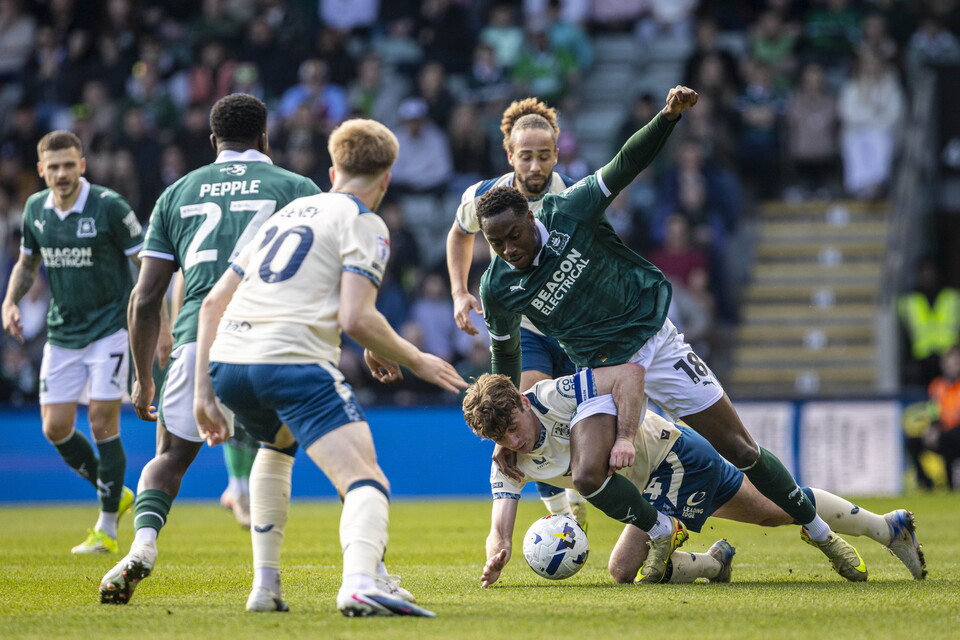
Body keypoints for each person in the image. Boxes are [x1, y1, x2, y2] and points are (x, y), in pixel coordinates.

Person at [474, 85, 867, 584]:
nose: (509, 249)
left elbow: (624, 164)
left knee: (742, 450)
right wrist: (506, 420)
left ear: (530, 217)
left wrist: (667, 118)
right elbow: (505, 358)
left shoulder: (569, 210)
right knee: (589, 475)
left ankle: (823, 534)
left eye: (514, 235)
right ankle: (661, 530)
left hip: (655, 342)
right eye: (496, 243)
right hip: (602, 373)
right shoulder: (497, 286)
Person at [192, 118, 467, 616]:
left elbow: (212, 303)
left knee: (276, 445)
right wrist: (418, 358)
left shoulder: (285, 214)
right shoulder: (364, 221)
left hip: (228, 362)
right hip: (290, 361)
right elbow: (356, 317)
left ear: (333, 171)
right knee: (366, 480)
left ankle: (265, 587)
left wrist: (202, 393)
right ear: (386, 180)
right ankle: (361, 583)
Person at [99, 93, 322, 605]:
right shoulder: (297, 188)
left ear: (213, 140)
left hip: (198, 342)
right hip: (271, 338)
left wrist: (143, 378)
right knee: (322, 451)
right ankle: (347, 571)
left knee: (169, 459)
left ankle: (143, 543)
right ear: (265, 137)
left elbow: (145, 298)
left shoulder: (176, 193)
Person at [463, 368, 927, 586]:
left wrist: (624, 435)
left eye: (513, 427)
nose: (514, 440)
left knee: (772, 511)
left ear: (522, 401)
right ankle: (713, 563)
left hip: (674, 455)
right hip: (649, 489)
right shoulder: (508, 460)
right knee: (622, 571)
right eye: (500, 436)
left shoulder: (554, 396)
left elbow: (626, 376)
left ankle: (886, 529)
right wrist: (496, 553)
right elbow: (499, 525)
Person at [445, 96, 586, 525]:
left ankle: (577, 494)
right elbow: (459, 233)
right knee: (528, 412)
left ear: (557, 154)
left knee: (580, 420)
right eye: (526, 156)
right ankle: (562, 518)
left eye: (544, 156)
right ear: (510, 155)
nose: (535, 166)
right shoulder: (484, 197)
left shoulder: (573, 196)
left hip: (573, 327)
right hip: (523, 328)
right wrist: (459, 292)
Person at [2, 130, 141, 554]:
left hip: (110, 328)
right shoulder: (35, 209)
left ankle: (106, 529)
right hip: (63, 331)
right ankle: (114, 490)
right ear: (41, 170)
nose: (62, 173)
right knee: (55, 427)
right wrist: (9, 301)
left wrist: (157, 321)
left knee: (101, 420)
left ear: (82, 165)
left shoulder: (109, 206)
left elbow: (144, 263)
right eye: (54, 167)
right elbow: (27, 263)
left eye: (69, 165)